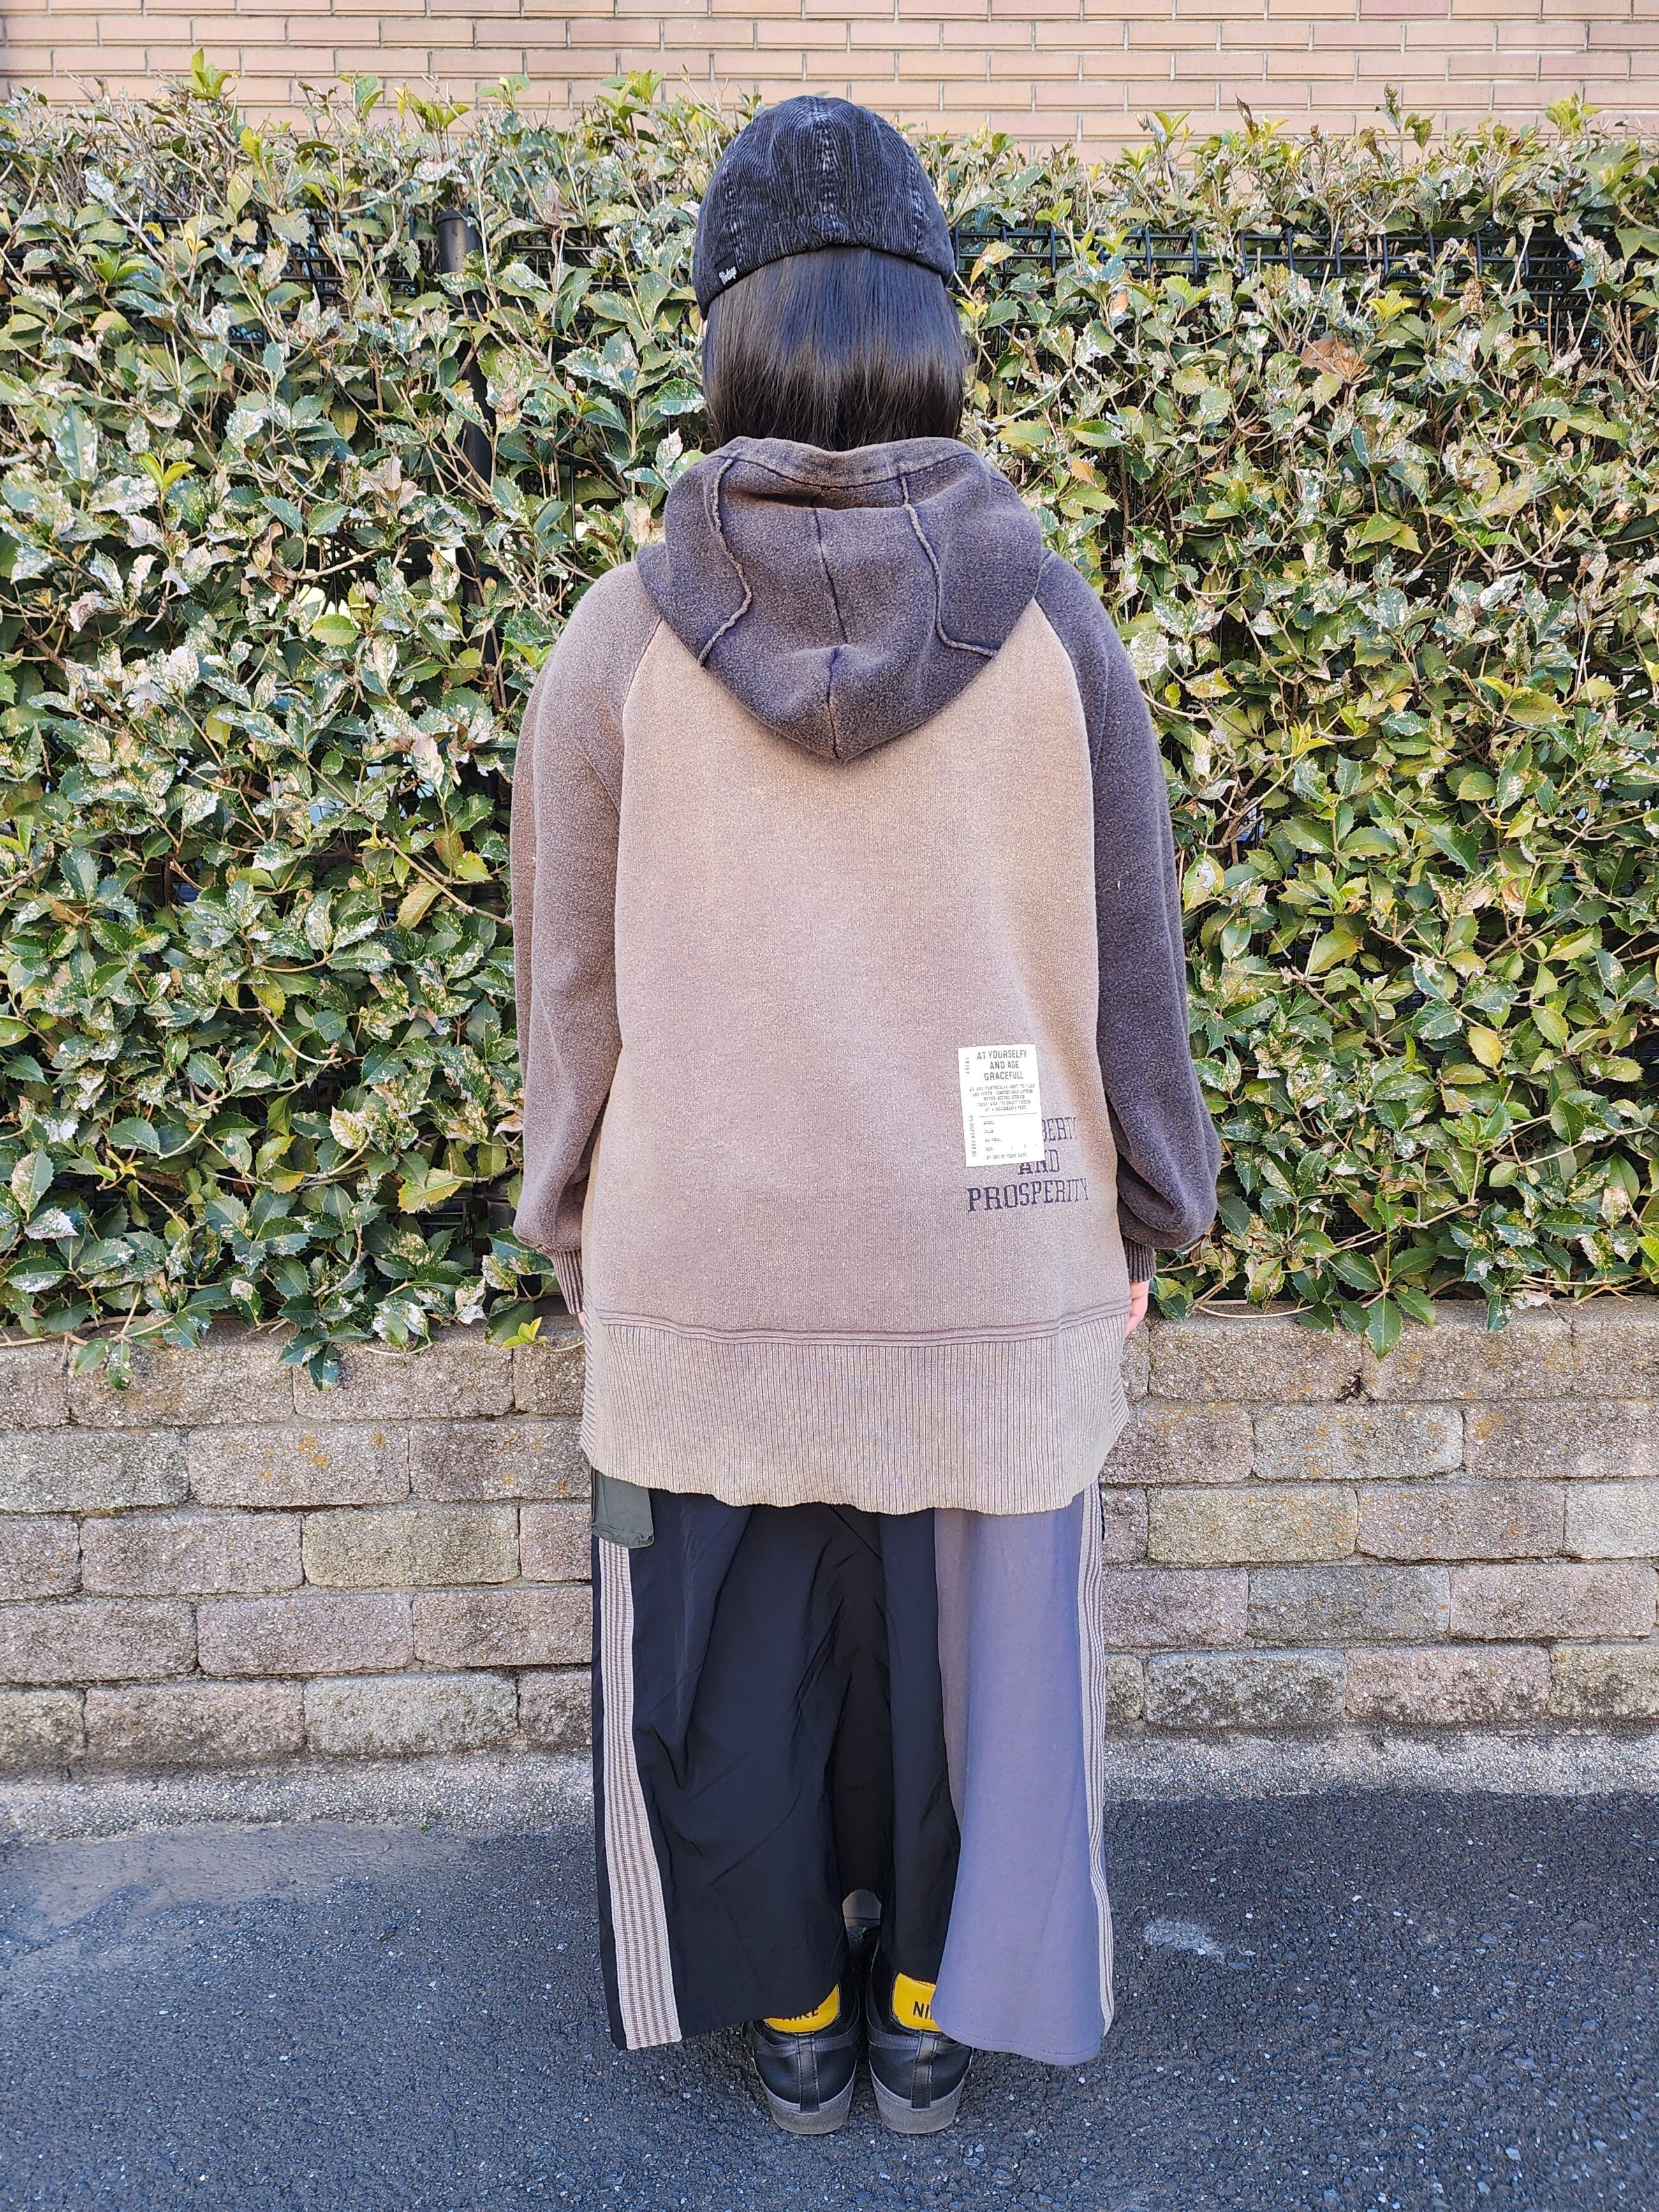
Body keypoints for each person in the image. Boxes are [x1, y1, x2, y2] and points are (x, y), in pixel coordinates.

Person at [510, 94, 1220, 2137]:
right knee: (970, 1680)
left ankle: (796, 2018)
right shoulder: (1055, 626)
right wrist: (1146, 1213)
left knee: (725, 1679)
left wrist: (576, 1223)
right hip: (987, 1258)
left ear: (724, 337)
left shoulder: (618, 639)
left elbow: (571, 993)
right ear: (935, 327)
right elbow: (1129, 969)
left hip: (708, 1262)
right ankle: (925, 2005)